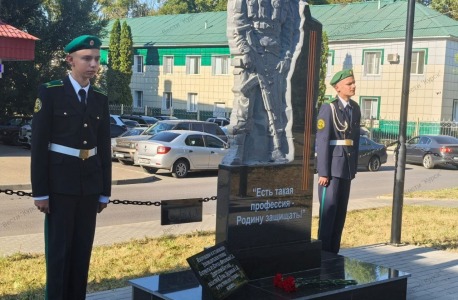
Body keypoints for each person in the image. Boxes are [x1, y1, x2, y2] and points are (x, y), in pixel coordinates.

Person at [31, 35, 111, 299]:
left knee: (82, 252)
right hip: (59, 186)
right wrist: (40, 192)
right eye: (86, 58)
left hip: (90, 185)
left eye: (97, 59)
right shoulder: (51, 91)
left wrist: (104, 191)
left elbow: (103, 147)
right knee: (59, 254)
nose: (93, 64)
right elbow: (39, 145)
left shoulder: (100, 96)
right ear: (70, 60)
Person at [224, 0, 295, 165]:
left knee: (275, 106)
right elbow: (236, 25)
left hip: (275, 58)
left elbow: (288, 30)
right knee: (244, 104)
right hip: (250, 54)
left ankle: (275, 148)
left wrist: (286, 56)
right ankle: (238, 150)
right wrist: (245, 51)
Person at [316, 69, 361, 254]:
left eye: (353, 82)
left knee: (340, 213)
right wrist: (323, 172)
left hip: (346, 168)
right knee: (329, 213)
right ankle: (323, 254)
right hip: (332, 169)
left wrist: (353, 168)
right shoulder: (329, 107)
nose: (353, 86)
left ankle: (334, 253)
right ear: (337, 87)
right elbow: (323, 140)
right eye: (349, 83)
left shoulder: (355, 108)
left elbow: (355, 140)